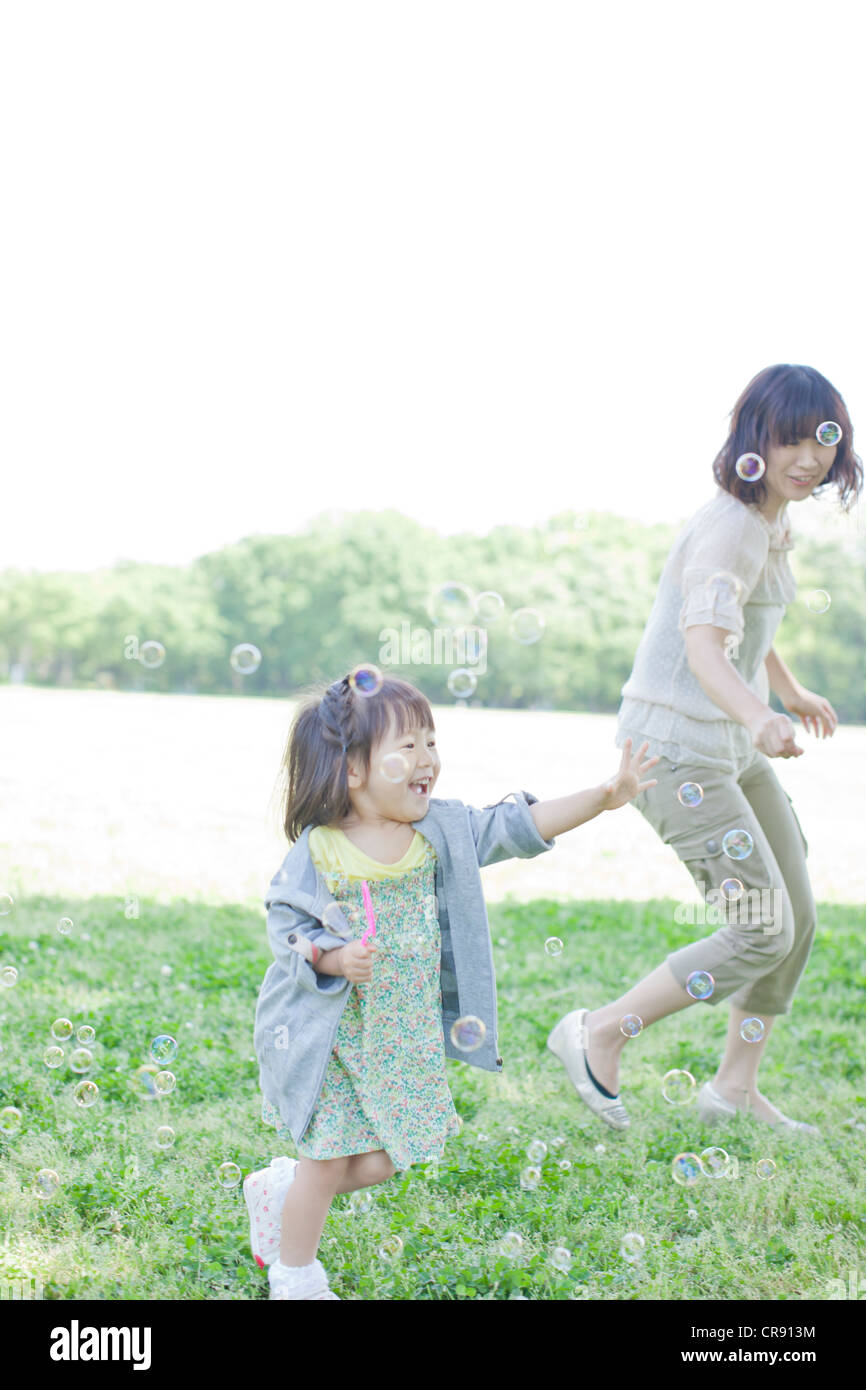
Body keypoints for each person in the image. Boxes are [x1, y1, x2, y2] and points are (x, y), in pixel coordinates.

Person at [246, 670, 657, 1299]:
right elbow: (287, 924)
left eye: (430, 741)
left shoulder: (440, 833)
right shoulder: (322, 848)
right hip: (332, 1035)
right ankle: (295, 1272)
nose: (427, 758)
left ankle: (281, 1189)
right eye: (406, 746)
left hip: (400, 1036)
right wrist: (331, 960)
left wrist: (603, 796)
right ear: (352, 770)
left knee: (392, 1153)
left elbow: (518, 824)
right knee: (326, 1157)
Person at [548, 363, 862, 1135]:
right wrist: (759, 715)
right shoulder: (729, 523)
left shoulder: (769, 519)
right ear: (754, 440)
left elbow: (748, 624)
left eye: (823, 439)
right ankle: (598, 1032)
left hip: (726, 745)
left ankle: (731, 1088)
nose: (809, 457)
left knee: (796, 916)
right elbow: (704, 647)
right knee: (761, 926)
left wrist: (783, 688)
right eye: (789, 439)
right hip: (677, 751)